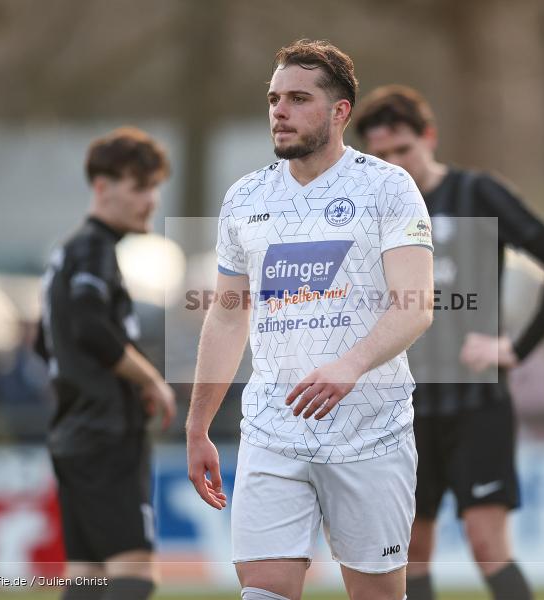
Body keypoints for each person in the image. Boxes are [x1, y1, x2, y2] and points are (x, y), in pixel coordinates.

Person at [185, 40, 434, 600]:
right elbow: (226, 319)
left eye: (298, 99)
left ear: (340, 111)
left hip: (371, 433)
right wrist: (198, 426)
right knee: (263, 593)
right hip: (272, 430)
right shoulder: (245, 197)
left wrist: (349, 365)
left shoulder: (388, 187)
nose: (280, 111)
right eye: (274, 99)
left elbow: (415, 305)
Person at [354, 85, 544, 600]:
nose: (396, 164)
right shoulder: (369, 211)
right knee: (409, 551)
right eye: (382, 155)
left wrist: (517, 349)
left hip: (477, 403)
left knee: (487, 544)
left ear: (429, 137)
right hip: (401, 407)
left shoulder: (477, 194)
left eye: (403, 149)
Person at [36, 127, 177, 600]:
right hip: (106, 433)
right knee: (134, 573)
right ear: (102, 187)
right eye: (140, 187)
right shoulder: (93, 246)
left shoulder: (68, 251)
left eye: (154, 188)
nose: (151, 200)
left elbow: (43, 342)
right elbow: (90, 327)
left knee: (88, 578)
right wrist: (150, 379)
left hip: (73, 432)